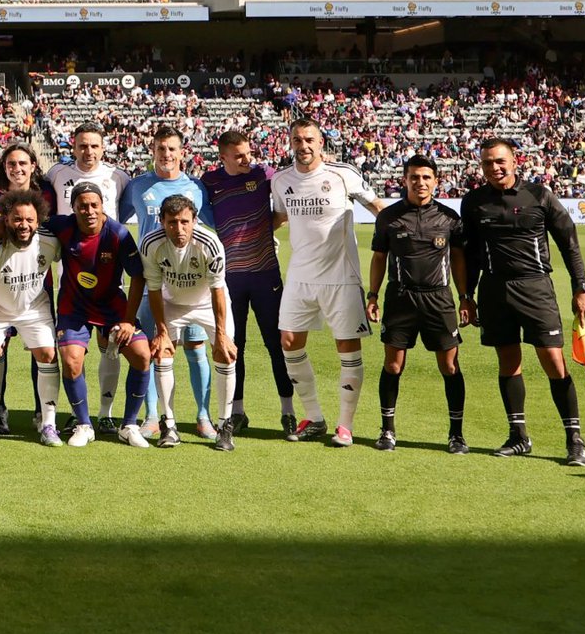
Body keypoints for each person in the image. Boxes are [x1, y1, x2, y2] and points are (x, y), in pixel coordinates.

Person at [461, 138, 585, 466]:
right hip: (494, 292)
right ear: (482, 166)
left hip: (536, 289)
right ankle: (518, 436)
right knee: (508, 363)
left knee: (554, 362)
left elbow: (569, 242)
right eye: (488, 163)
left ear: (514, 161)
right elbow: (472, 254)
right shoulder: (473, 202)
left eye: (500, 161)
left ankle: (574, 439)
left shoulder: (539, 195)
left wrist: (581, 287)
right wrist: (467, 295)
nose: (495, 168)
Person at [271, 117, 384, 446]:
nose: (303, 146)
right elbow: (278, 217)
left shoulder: (342, 174)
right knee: (289, 341)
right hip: (300, 276)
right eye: (297, 140)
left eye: (309, 140)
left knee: (346, 347)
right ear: (290, 143)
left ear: (321, 143)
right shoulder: (281, 180)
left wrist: (402, 232)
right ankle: (314, 417)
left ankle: (345, 426)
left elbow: (376, 206)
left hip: (341, 277)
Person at [367, 155, 474, 455]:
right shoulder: (388, 217)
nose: (420, 182)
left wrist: (465, 297)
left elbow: (459, 260)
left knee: (450, 366)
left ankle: (456, 434)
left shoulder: (449, 218)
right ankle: (387, 430)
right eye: (414, 177)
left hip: (439, 300)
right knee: (392, 364)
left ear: (436, 181)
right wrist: (372, 295)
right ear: (405, 180)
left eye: (426, 177)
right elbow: (379, 258)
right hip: (400, 299)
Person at [120, 125, 215, 440]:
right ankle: (151, 417)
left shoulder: (197, 188)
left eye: (172, 149)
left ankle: (203, 416)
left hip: (191, 283)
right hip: (153, 283)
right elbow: (115, 220)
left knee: (196, 349)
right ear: (153, 151)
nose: (166, 155)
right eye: (161, 149)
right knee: (152, 348)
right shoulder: (137, 186)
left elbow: (217, 228)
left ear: (181, 152)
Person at [41, 182, 151, 448]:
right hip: (73, 308)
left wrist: (127, 319)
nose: (88, 210)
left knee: (142, 355)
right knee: (71, 360)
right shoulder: (63, 226)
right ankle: (83, 424)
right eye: (82, 206)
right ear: (74, 208)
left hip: (112, 308)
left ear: (103, 207)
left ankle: (129, 424)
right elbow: (29, 220)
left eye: (94, 205)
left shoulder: (118, 234)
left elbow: (138, 276)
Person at [201, 130, 295, 435]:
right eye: (239, 155)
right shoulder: (209, 182)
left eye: (248, 152)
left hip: (266, 273)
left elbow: (285, 200)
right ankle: (236, 412)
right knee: (233, 344)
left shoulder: (263, 174)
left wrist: (264, 228)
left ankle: (288, 411)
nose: (247, 159)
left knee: (277, 344)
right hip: (229, 280)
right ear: (223, 157)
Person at [46, 124, 128, 433]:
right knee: (71, 352)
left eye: (94, 145)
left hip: (108, 272)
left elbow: (123, 212)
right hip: (72, 272)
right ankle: (76, 414)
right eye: (82, 145)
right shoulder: (57, 174)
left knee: (110, 344)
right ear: (73, 146)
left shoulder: (118, 177)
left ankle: (105, 412)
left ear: (103, 148)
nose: (88, 151)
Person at [140, 195, 238, 451]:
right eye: (172, 222)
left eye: (185, 222)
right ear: (161, 221)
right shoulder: (151, 243)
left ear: (195, 220)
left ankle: (224, 426)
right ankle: (168, 425)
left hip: (207, 303)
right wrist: (161, 331)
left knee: (225, 355)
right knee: (162, 354)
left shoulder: (210, 242)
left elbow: (218, 290)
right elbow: (153, 288)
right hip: (172, 303)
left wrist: (221, 335)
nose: (179, 229)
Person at [0, 188, 61, 449]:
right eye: (17, 219)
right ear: (5, 219)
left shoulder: (50, 241)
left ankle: (48, 424)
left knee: (47, 354)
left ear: (38, 220)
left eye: (30, 220)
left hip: (33, 307)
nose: (24, 225)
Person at [0, 141, 57, 433]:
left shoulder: (48, 193)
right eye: (11, 164)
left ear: (33, 166)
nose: (17, 169)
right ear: (4, 168)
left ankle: (42, 412)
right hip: (0, 283)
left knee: (41, 348)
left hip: (38, 282)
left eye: (22, 163)